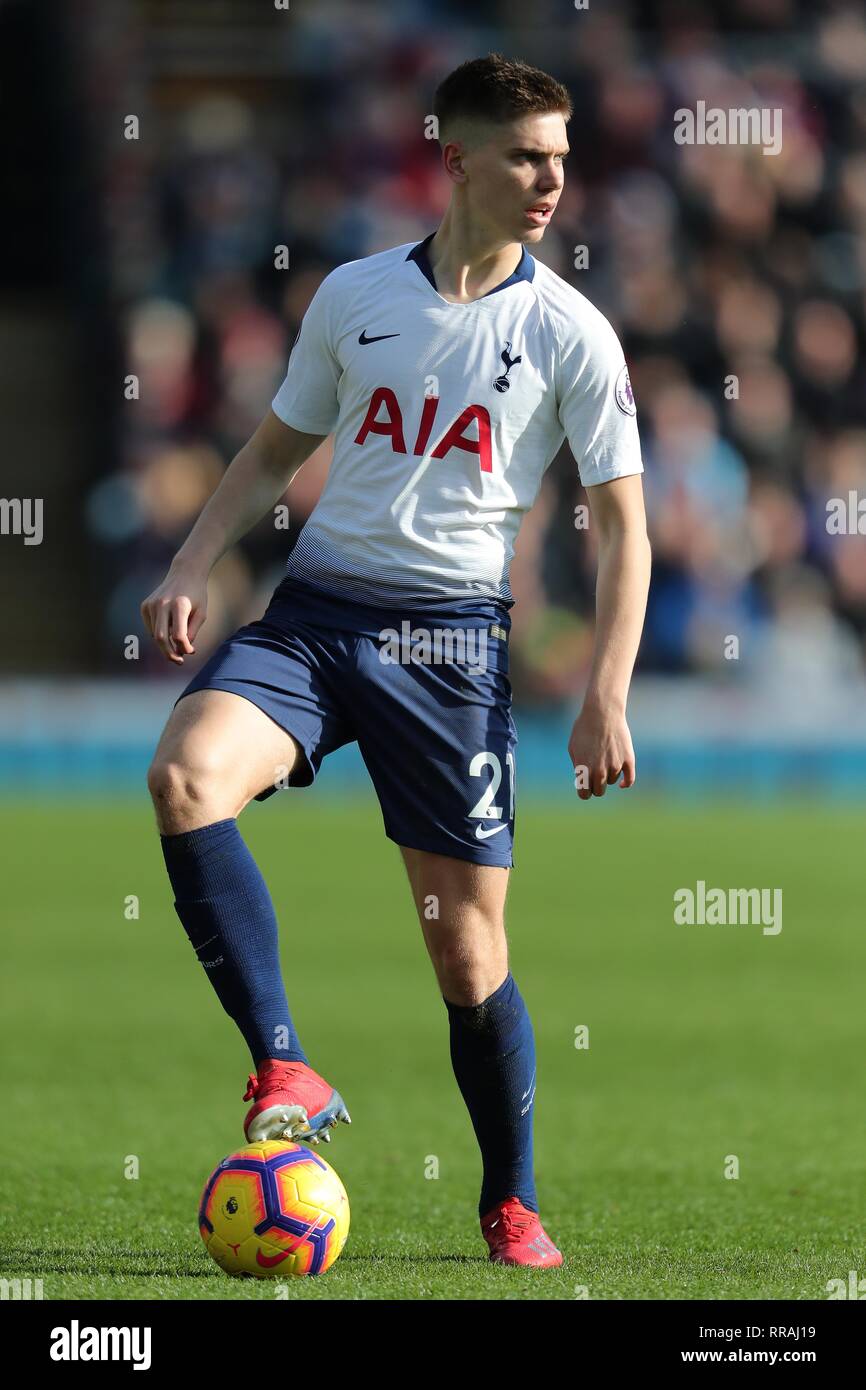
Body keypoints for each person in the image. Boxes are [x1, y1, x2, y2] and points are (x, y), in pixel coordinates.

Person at [142, 52, 651, 1268]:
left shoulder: (568, 331)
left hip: (450, 649)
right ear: (456, 154)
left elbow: (624, 524)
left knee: (468, 955)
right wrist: (190, 561)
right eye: (526, 155)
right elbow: (274, 452)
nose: (549, 181)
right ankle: (283, 1061)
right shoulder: (355, 294)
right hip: (317, 618)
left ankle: (509, 1200)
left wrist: (605, 693)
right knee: (183, 779)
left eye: (562, 160)